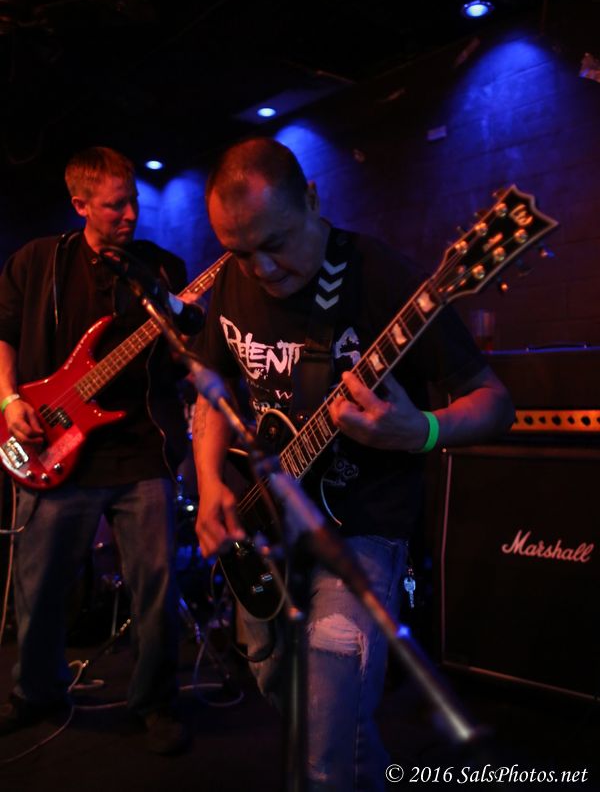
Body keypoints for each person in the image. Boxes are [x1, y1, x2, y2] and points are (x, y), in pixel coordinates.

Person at [193, 137, 515, 790]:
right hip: (265, 525)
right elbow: (212, 390)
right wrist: (207, 485)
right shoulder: (232, 279)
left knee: (324, 745)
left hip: (360, 532)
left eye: (275, 243)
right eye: (239, 252)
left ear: (312, 200)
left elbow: (496, 404)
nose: (260, 269)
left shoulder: (386, 280)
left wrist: (421, 430)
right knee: (279, 683)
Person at [0, 146, 191, 754]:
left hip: (142, 449)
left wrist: (189, 327)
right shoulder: (37, 262)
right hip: (55, 443)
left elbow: (188, 353)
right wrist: (8, 400)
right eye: (115, 206)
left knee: (156, 585)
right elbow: (3, 334)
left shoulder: (161, 269)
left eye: (133, 201)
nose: (131, 214)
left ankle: (155, 702)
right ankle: (36, 692)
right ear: (80, 204)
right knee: (39, 585)